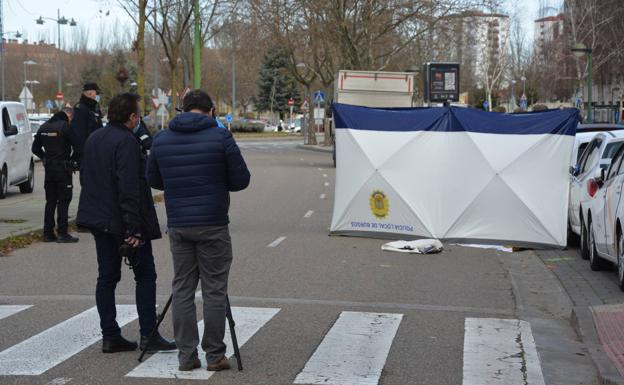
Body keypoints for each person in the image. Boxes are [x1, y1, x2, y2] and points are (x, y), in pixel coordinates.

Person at [147, 90, 250, 372]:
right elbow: (241, 180)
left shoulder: (162, 139)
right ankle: (215, 355)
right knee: (214, 290)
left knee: (182, 288)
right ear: (211, 110)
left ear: (182, 109)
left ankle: (186, 356)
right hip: (213, 223)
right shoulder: (221, 137)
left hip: (179, 224)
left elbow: (154, 179)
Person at [76, 93, 176, 354]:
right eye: (138, 114)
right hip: (123, 221)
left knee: (106, 277)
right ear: (132, 117)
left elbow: (87, 177)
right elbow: (130, 187)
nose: (139, 118)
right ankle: (148, 334)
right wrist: (134, 228)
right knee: (145, 275)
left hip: (99, 219)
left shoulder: (94, 137)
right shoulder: (128, 142)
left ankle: (110, 335)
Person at [31, 107, 79, 243]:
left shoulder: (43, 127)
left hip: (49, 170)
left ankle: (48, 233)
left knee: (50, 201)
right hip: (63, 169)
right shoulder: (65, 127)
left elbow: (35, 148)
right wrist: (73, 161)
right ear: (69, 116)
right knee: (64, 200)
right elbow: (79, 146)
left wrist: (45, 158)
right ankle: (63, 233)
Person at [70, 82, 104, 165]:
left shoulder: (94, 107)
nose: (97, 96)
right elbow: (78, 134)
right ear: (90, 93)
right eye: (97, 93)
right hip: (86, 154)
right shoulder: (80, 109)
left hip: (96, 151)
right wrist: (82, 154)